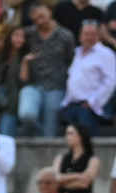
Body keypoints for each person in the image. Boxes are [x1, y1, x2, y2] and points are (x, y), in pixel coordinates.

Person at [19, 4, 75, 137]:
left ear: (49, 13)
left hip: (56, 87)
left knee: (49, 131)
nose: (39, 22)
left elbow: (71, 61)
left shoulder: (65, 35)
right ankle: (35, 132)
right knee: (26, 114)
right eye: (35, 20)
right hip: (33, 85)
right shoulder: (29, 33)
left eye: (41, 17)